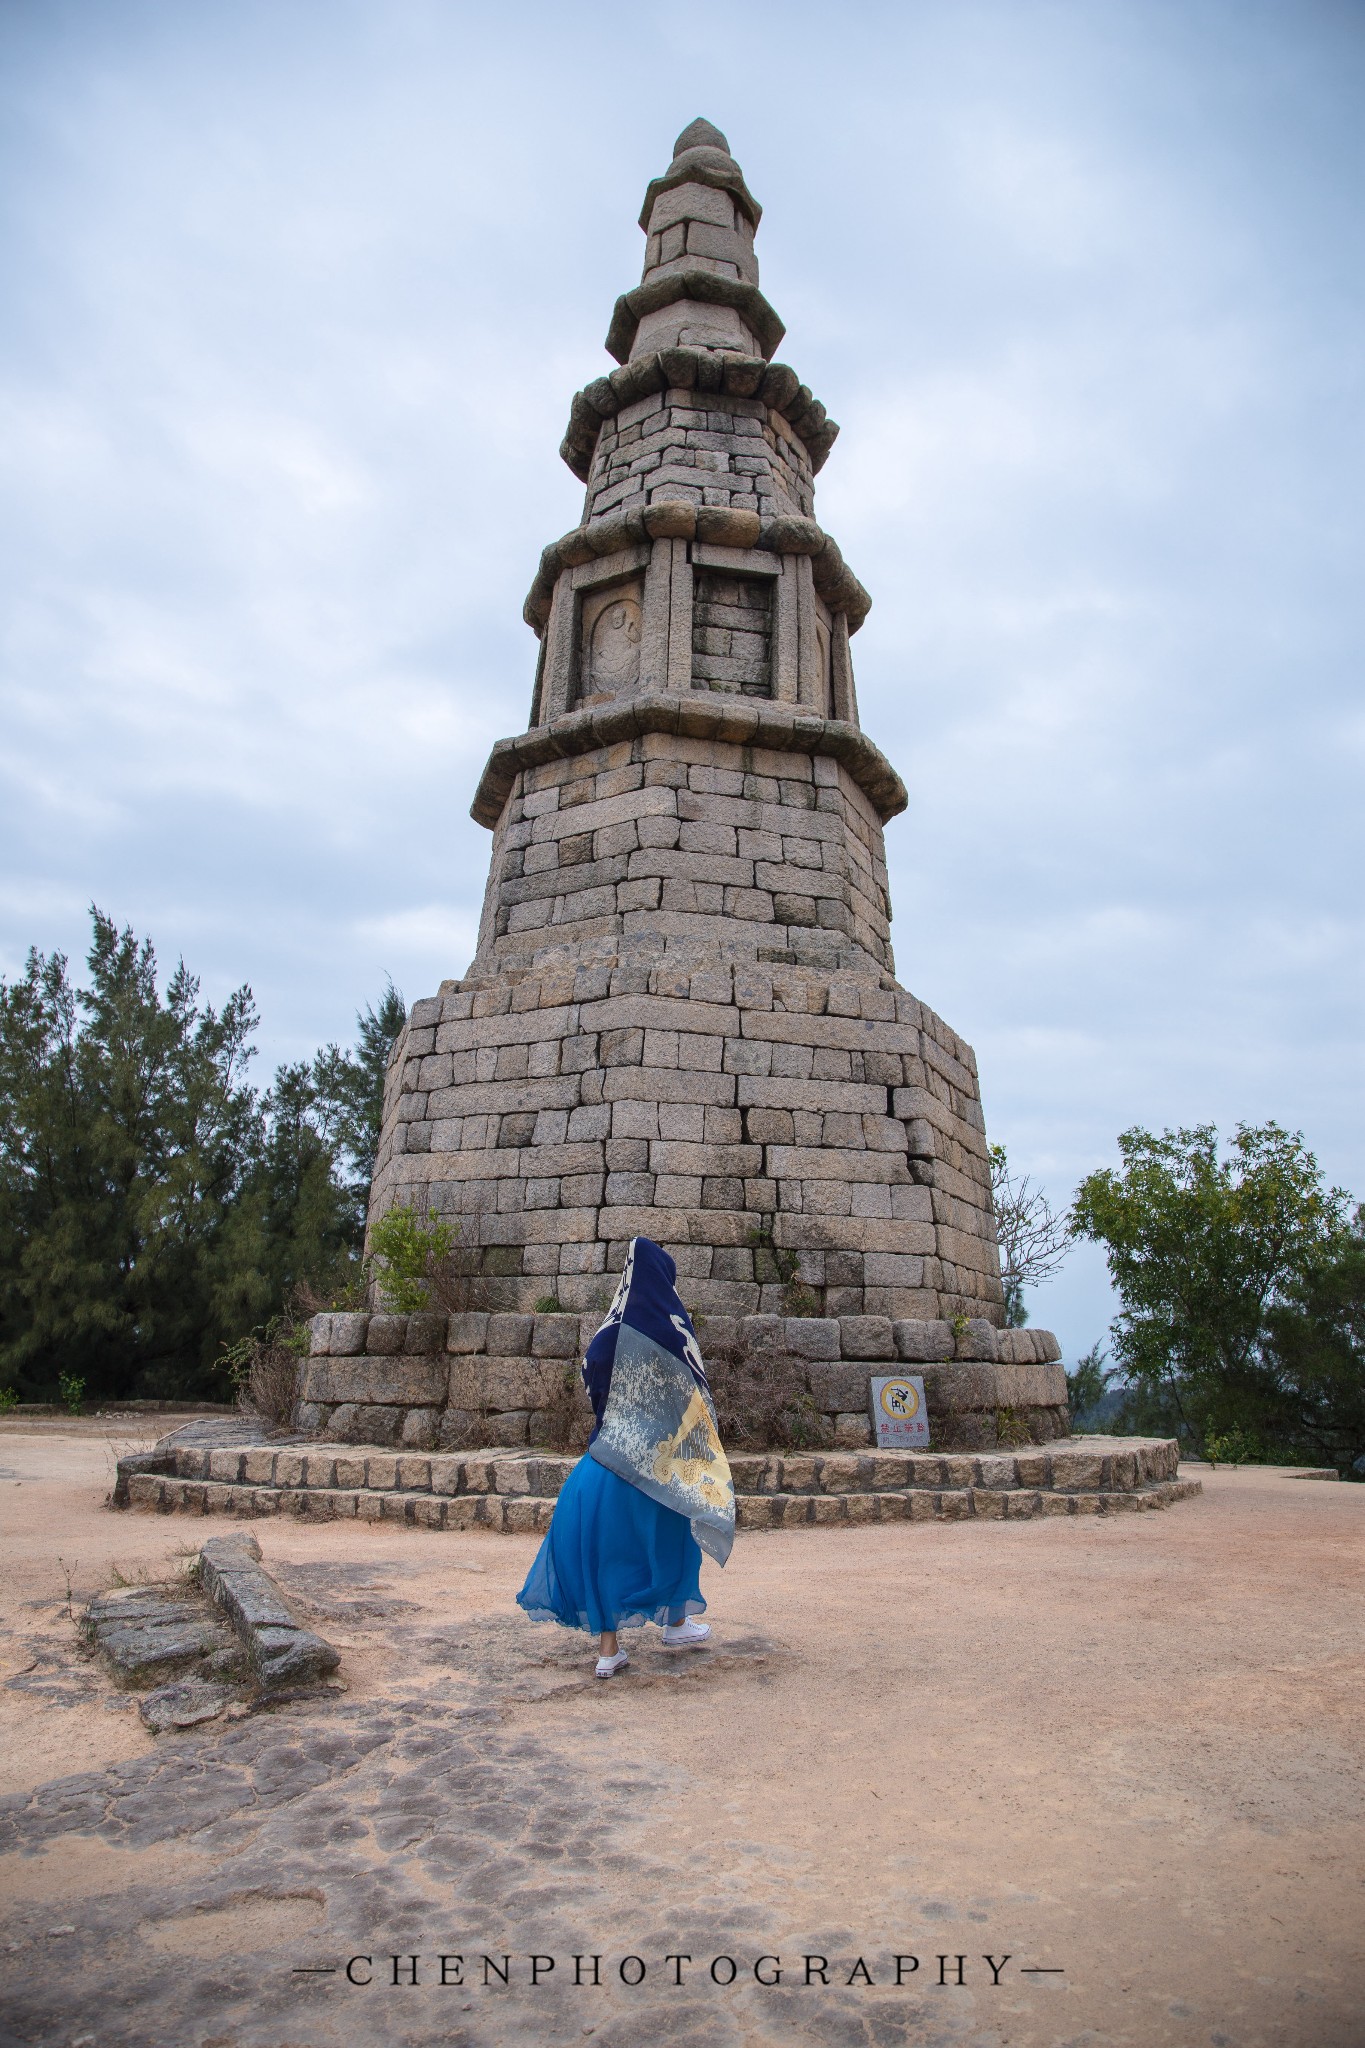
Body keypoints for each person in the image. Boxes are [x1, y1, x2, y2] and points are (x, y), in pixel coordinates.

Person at [516, 1236, 735, 1678]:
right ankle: (675, 1622)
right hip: (657, 1465)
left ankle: (607, 1652)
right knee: (675, 1535)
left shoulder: (606, 1334)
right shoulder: (673, 1333)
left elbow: (592, 1383)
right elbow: (694, 1401)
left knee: (605, 1551)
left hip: (603, 1464)